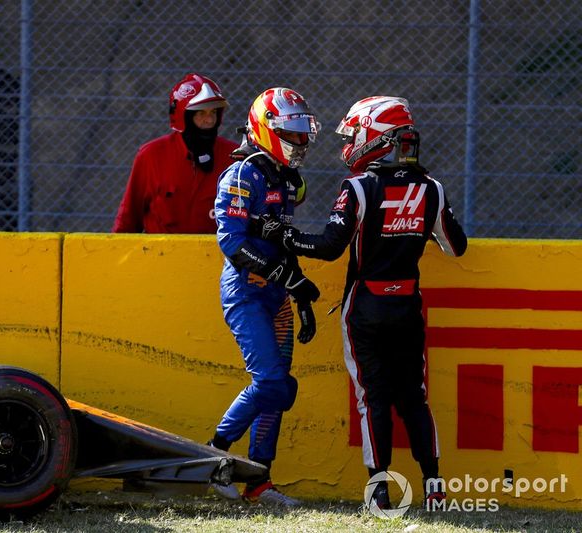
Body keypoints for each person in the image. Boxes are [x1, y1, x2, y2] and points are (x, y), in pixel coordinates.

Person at [256, 96, 467, 510]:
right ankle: (435, 487)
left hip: (365, 308)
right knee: (414, 397)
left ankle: (380, 493)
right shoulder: (432, 188)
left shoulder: (358, 187)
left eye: (354, 134)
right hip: (409, 305)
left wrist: (279, 234)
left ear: (377, 137)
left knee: (373, 401)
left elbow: (329, 247)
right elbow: (456, 247)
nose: (350, 142)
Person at [208, 87, 322, 507]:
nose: (300, 143)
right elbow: (233, 244)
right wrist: (289, 281)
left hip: (277, 295)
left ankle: (259, 482)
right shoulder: (240, 175)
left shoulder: (287, 179)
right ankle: (216, 456)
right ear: (266, 129)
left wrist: (300, 297)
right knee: (275, 384)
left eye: (303, 134)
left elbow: (284, 243)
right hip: (246, 292)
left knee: (277, 393)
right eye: (291, 134)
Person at [112, 73, 239, 233]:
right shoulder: (151, 156)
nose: (209, 120)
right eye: (201, 113)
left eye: (213, 112)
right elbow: (128, 220)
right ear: (183, 116)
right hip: (160, 256)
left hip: (217, 256)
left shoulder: (234, 158)